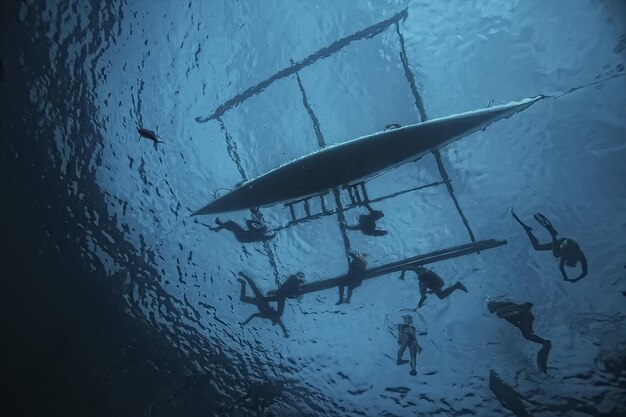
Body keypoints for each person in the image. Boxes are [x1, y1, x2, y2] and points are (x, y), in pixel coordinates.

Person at [512, 209, 588, 282]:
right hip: (567, 244)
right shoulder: (580, 257)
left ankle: (527, 229)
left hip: (563, 243)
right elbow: (584, 272)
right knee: (556, 254)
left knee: (537, 247)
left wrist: (565, 276)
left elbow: (562, 267)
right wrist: (573, 279)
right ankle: (552, 234)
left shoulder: (569, 257)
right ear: (574, 262)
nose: (568, 259)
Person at [488, 301, 552, 374]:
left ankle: (545, 342)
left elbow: (516, 309)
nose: (492, 311)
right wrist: (522, 327)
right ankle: (544, 342)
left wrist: (525, 306)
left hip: (525, 316)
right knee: (526, 335)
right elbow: (512, 321)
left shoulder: (503, 308)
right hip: (525, 317)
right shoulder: (500, 313)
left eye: (491, 309)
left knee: (526, 335)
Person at [238, 272, 288, 338]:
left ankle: (244, 280)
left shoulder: (267, 316)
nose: (276, 320)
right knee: (251, 291)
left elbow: (254, 315)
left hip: (260, 301)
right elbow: (281, 326)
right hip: (261, 301)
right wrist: (285, 333)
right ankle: (243, 281)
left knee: (253, 289)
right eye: (275, 321)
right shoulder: (270, 316)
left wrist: (245, 322)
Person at [400, 266, 467, 308]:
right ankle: (457, 286)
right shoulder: (423, 273)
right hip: (433, 282)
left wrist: (402, 275)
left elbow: (404, 268)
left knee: (422, 285)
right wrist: (430, 292)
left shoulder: (417, 269)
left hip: (428, 278)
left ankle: (422, 296)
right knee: (441, 296)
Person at [209, 217, 275, 243]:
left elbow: (248, 222)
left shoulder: (255, 231)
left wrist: (255, 221)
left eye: (261, 226)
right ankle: (220, 224)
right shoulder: (261, 236)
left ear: (261, 229)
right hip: (243, 237)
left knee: (231, 224)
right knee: (232, 226)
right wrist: (274, 235)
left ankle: (217, 229)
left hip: (241, 237)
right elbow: (269, 237)